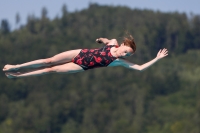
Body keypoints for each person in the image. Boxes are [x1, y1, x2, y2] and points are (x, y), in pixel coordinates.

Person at [3, 35, 168, 78]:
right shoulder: (114, 43)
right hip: (80, 53)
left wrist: (156, 59)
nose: (125, 54)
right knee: (49, 60)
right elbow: (106, 40)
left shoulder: (118, 61)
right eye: (126, 51)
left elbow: (139, 68)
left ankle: (18, 75)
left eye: (128, 55)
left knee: (50, 70)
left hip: (81, 66)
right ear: (124, 45)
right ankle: (16, 65)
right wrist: (100, 40)